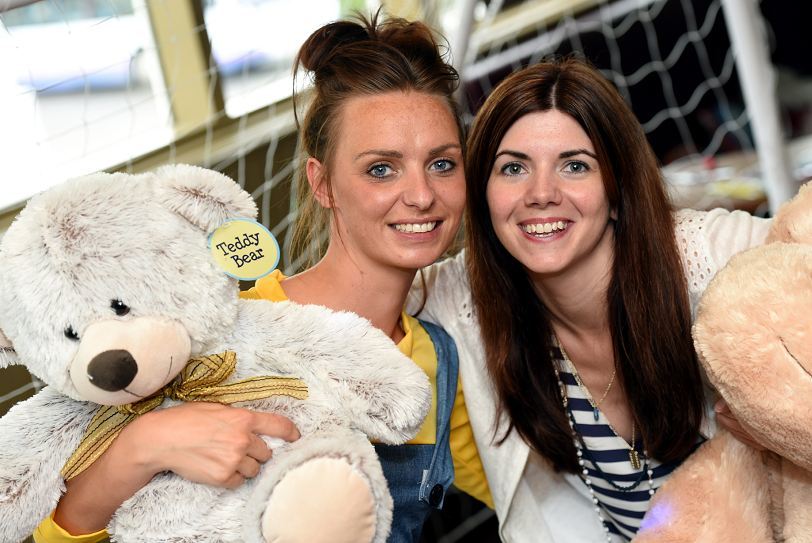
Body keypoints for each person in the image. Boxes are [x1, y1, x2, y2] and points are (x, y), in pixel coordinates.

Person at [34, 13, 490, 543]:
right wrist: (145, 442)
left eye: (441, 163)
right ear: (323, 184)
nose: (421, 195)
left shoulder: (440, 355)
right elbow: (55, 531)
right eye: (381, 169)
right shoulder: (226, 336)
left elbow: (518, 490)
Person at [408, 57, 772, 542]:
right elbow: (331, 315)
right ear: (484, 195)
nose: (541, 193)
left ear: (618, 191)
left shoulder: (709, 255)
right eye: (513, 168)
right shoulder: (462, 297)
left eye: (574, 165)